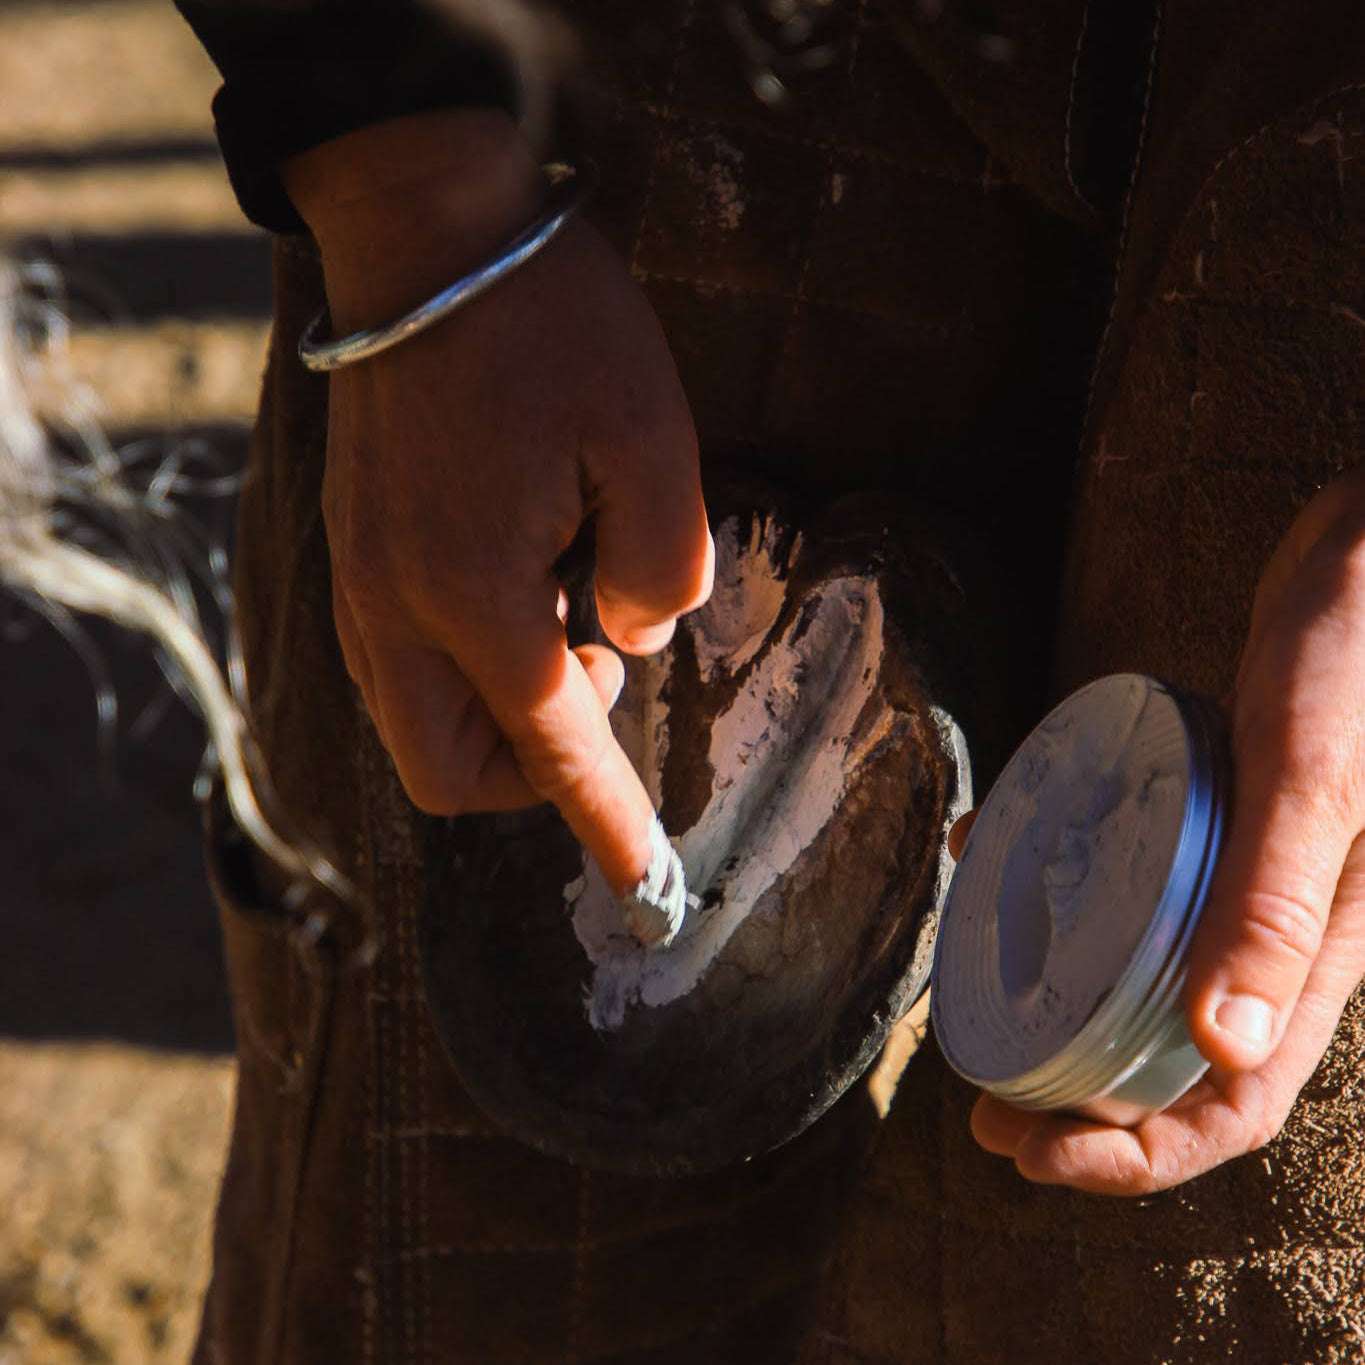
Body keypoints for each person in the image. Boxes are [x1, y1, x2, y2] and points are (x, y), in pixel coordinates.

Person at [173, 0, 1365, 1360]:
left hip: (1327, 232)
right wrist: (395, 168)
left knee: (1193, 1276)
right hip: (691, 95)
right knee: (474, 1256)